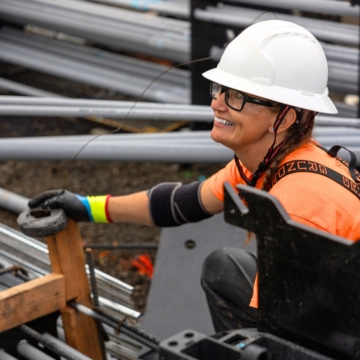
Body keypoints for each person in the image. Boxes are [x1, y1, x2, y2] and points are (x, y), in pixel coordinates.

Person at [29, 20, 360, 333]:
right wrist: (87, 207)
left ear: (285, 117)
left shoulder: (300, 204)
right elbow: (180, 204)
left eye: (237, 96)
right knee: (224, 267)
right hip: (329, 309)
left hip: (342, 328)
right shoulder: (266, 164)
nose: (217, 104)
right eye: (219, 89)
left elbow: (282, 335)